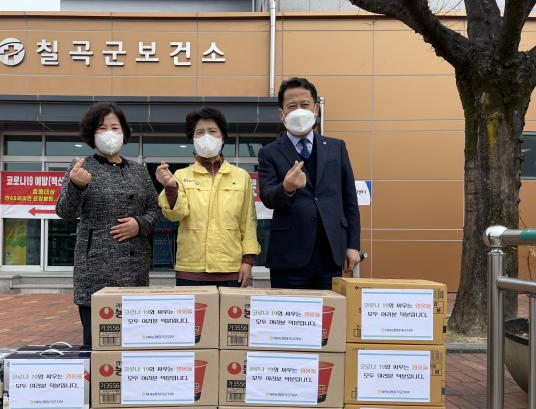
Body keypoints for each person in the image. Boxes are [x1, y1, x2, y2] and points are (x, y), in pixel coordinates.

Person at [56, 102, 161, 345]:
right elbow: (65, 212)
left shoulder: (138, 170)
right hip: (96, 268)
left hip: (134, 267)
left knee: (135, 340)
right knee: (98, 341)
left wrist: (139, 224)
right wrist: (77, 186)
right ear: (92, 134)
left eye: (115, 127)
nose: (110, 133)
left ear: (124, 132)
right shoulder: (81, 167)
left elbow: (155, 208)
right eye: (102, 128)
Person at [258, 77, 360, 290]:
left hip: (331, 253)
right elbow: (267, 197)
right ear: (282, 114)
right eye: (291, 106)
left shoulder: (337, 147)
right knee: (289, 310)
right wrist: (286, 187)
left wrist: (352, 245)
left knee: (329, 310)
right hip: (288, 255)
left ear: (316, 109)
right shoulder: (269, 152)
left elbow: (349, 200)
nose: (299, 110)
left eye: (304, 104)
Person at [156, 107, 261, 288]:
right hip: (190, 269)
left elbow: (248, 223)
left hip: (231, 268)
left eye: (212, 131)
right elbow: (175, 215)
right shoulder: (181, 176)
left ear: (222, 138)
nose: (206, 136)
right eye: (200, 132)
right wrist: (170, 188)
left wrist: (248, 261)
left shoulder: (241, 176)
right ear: (193, 138)